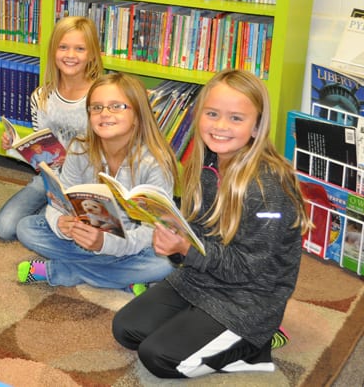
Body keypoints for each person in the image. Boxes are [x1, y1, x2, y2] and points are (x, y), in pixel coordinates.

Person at [112, 69, 311, 378]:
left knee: (158, 358)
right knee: (126, 329)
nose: (220, 126)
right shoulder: (207, 161)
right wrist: (174, 232)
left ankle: (255, 349)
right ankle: (202, 331)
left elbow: (249, 269)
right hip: (198, 280)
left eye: (236, 118)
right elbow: (198, 232)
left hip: (247, 300)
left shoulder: (268, 189)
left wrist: (186, 249)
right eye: (212, 114)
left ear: (257, 126)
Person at [15, 72, 180, 290]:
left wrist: (105, 244)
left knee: (165, 263)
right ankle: (124, 278)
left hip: (132, 243)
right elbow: (60, 200)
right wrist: (61, 223)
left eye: (116, 106)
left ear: (138, 114)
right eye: (96, 107)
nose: (105, 113)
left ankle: (61, 271)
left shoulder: (155, 163)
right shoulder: (79, 148)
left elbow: (153, 231)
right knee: (26, 228)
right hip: (85, 235)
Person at [0, 16, 103, 240]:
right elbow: (40, 149)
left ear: (92, 54)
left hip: (87, 182)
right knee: (4, 229)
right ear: (53, 51)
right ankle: (52, 214)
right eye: (63, 47)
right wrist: (15, 147)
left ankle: (53, 216)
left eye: (80, 49)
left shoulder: (100, 96)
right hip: (50, 179)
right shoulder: (41, 97)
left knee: (80, 229)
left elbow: (110, 150)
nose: (70, 55)